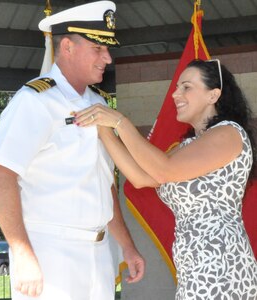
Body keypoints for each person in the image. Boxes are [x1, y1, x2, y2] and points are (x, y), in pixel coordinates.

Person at [0, 1, 144, 299]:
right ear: (68, 47)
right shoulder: (34, 101)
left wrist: (126, 245)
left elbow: (103, 183)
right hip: (50, 253)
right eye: (98, 49)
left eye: (108, 49)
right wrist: (22, 253)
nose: (107, 58)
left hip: (99, 251)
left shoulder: (98, 102)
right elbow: (0, 177)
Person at [74, 59, 257, 299]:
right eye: (177, 87)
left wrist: (120, 121)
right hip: (195, 263)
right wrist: (103, 129)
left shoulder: (229, 132)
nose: (175, 94)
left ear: (213, 95)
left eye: (186, 87)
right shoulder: (189, 145)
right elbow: (141, 177)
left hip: (220, 261)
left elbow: (164, 171)